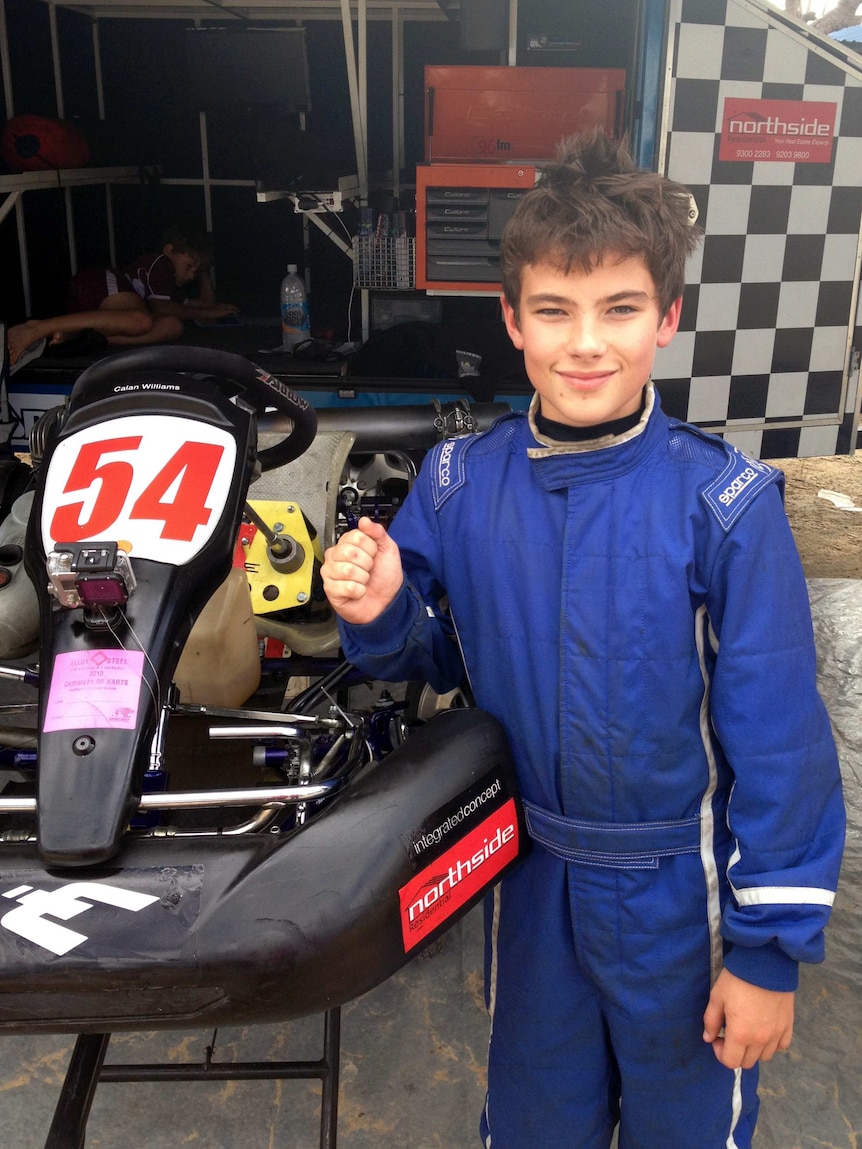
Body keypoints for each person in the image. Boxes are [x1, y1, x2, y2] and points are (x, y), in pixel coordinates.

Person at [319, 132, 845, 1149]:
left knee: (685, 1130)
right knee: (534, 1127)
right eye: (554, 312)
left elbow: (777, 741)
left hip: (676, 900)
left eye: (620, 310)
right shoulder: (459, 484)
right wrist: (381, 604)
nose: (585, 343)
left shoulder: (722, 505)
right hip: (531, 878)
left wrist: (767, 955)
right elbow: (427, 662)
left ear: (667, 320)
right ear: (512, 322)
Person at [7, 224, 239, 368]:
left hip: (112, 308)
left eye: (195, 273)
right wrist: (208, 311)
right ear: (170, 251)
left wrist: (203, 272)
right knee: (141, 320)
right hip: (103, 284)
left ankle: (84, 338)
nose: (190, 276)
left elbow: (201, 308)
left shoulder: (170, 290)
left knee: (172, 326)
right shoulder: (160, 264)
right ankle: (37, 328)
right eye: (189, 266)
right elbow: (163, 308)